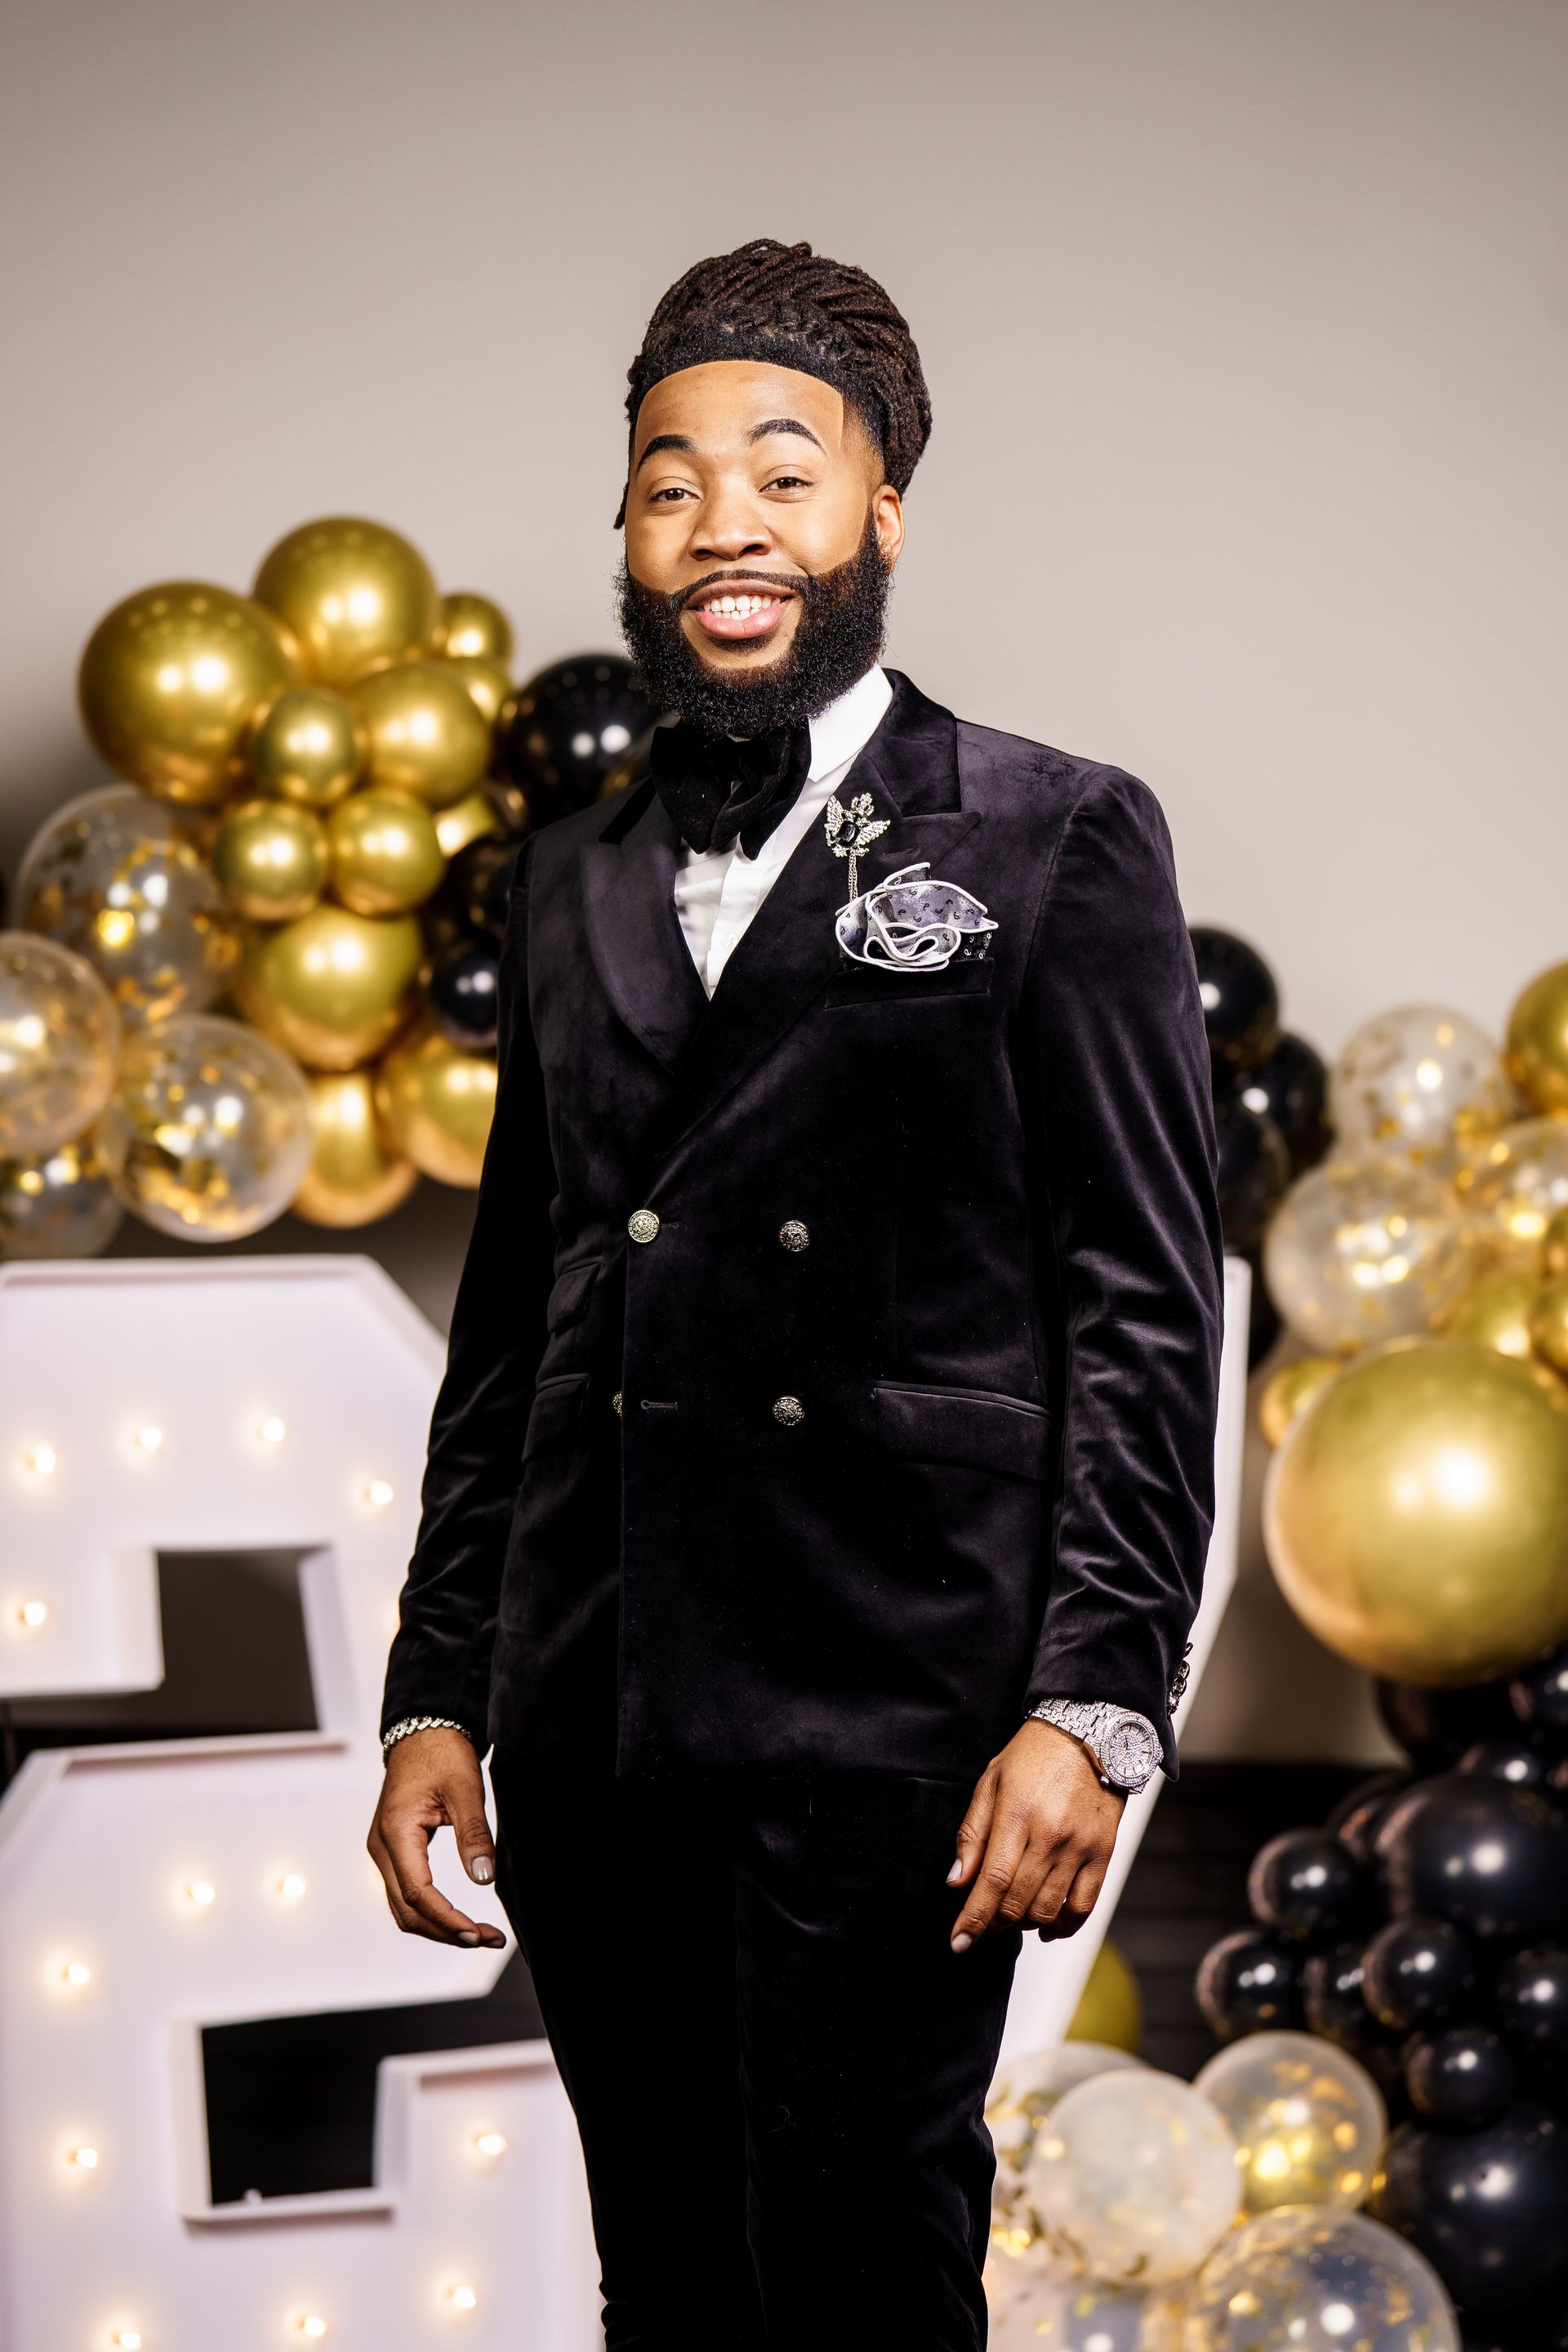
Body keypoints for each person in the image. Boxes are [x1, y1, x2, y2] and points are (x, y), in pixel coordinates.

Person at [368, 238, 1223, 2350]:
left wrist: (1093, 1705)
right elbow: (517, 1322)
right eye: (670, 480)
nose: (723, 520)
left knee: (858, 2271)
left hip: (901, 1715)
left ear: (880, 514)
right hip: (599, 1705)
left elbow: (1139, 1306)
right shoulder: (569, 873)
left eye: (781, 468)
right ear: (628, 532)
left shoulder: (1051, 839)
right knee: (664, 2278)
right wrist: (435, 1682)